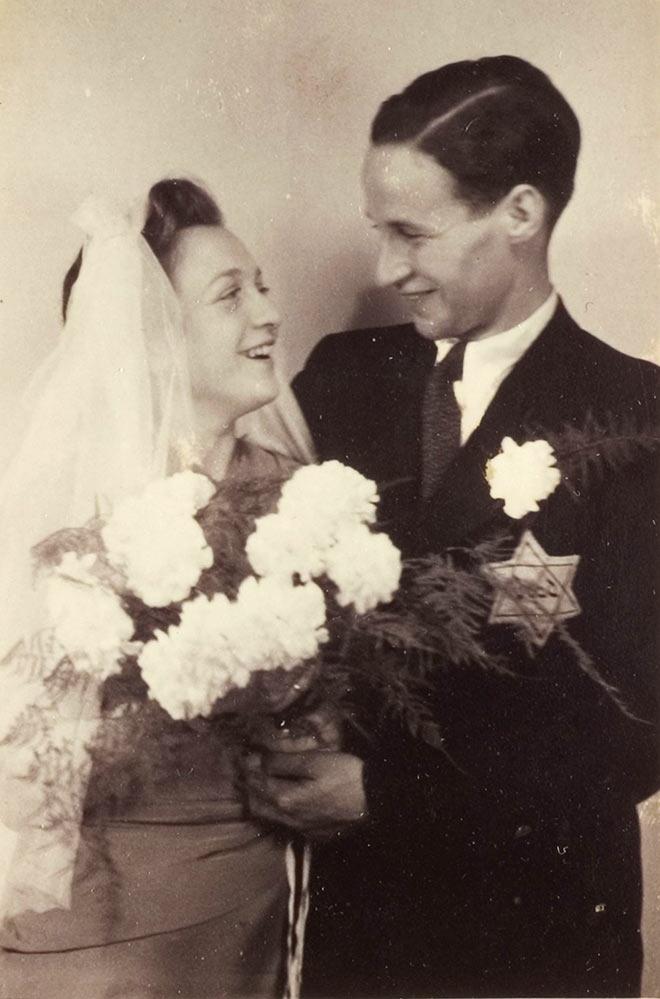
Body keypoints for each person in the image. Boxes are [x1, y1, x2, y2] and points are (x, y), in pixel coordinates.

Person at [246, 57, 660, 997]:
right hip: (358, 933)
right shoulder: (342, 377)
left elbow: (641, 729)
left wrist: (391, 794)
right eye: (374, 229)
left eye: (411, 233)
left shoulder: (639, 416)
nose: (386, 268)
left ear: (520, 212)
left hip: (535, 936)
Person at [0, 178, 314, 998]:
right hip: (96, 928)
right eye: (230, 295)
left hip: (242, 907)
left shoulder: (303, 500)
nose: (269, 315)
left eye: (264, 286)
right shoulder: (69, 509)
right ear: (153, 339)